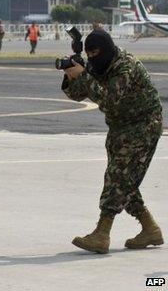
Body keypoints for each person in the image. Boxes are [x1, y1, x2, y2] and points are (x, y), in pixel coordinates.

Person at [62, 29, 163, 254]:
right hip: (120, 127)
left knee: (118, 177)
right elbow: (79, 94)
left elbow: (108, 100)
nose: (92, 58)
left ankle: (102, 234)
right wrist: (71, 74)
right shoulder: (99, 65)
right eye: (89, 54)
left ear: (105, 50)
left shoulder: (125, 66)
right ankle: (150, 229)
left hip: (144, 124)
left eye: (95, 52)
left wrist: (85, 75)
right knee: (123, 180)